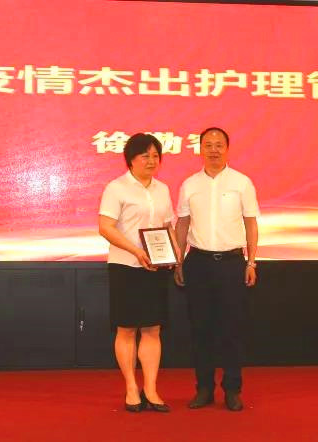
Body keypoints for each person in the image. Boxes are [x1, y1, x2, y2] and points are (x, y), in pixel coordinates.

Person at [174, 127, 259, 412]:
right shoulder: (189, 184)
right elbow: (183, 224)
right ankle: (204, 389)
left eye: (219, 144)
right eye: (208, 145)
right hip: (198, 263)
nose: (213, 149)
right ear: (200, 149)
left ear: (227, 148)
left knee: (232, 329)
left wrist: (251, 261)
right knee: (201, 329)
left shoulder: (242, 183)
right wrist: (178, 260)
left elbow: (251, 224)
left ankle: (232, 389)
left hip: (232, 264)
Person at [98, 133, 179, 413]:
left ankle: (151, 389)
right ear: (130, 159)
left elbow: (167, 227)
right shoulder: (116, 188)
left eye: (156, 156)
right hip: (126, 267)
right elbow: (105, 227)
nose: (151, 161)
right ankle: (132, 388)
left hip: (155, 268)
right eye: (145, 156)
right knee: (127, 328)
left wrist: (175, 254)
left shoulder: (162, 189)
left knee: (153, 328)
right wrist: (136, 251)